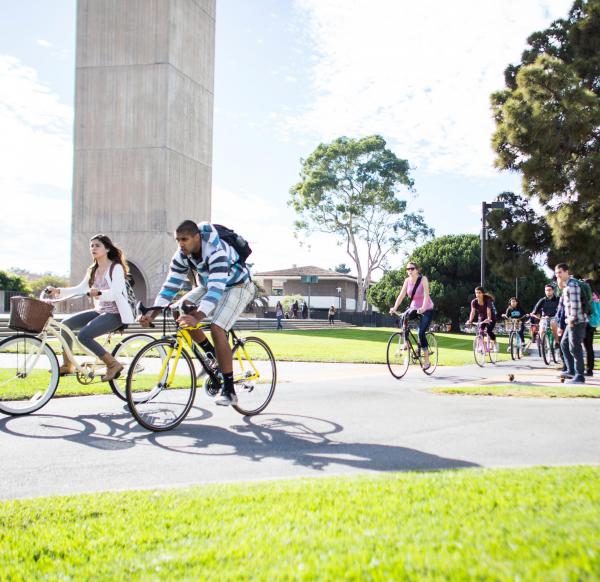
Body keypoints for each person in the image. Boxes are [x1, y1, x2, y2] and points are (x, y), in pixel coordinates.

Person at [139, 220, 255, 406]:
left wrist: (197, 316)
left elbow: (217, 289)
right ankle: (212, 355)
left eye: (184, 239)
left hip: (238, 285)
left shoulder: (217, 251)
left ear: (197, 237)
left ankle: (229, 391)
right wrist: (152, 313)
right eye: (178, 240)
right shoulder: (181, 255)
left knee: (217, 328)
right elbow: (170, 286)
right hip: (207, 284)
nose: (181, 244)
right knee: (178, 310)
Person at [46, 234, 135, 381]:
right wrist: (58, 291)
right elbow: (79, 289)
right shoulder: (93, 269)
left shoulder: (116, 268)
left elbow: (116, 292)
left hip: (116, 314)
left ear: (107, 249)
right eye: (91, 245)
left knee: (84, 335)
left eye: (97, 245)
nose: (93, 248)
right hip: (100, 311)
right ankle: (68, 365)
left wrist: (99, 293)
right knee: (65, 324)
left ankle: (113, 364)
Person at [389, 261, 434, 369]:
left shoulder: (423, 279)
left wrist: (423, 308)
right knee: (403, 318)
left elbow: (426, 295)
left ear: (417, 270)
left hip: (426, 308)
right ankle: (406, 343)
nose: (410, 271)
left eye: (412, 269)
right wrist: (395, 307)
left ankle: (427, 361)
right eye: (408, 269)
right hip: (414, 307)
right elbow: (401, 295)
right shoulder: (407, 281)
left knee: (421, 333)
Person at [555, 263, 588, 384]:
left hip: (576, 321)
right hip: (571, 321)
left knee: (575, 348)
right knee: (564, 344)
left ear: (566, 272)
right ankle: (571, 370)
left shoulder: (572, 286)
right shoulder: (567, 286)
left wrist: (572, 319)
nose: (557, 275)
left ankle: (580, 376)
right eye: (556, 273)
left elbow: (575, 305)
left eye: (559, 272)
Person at [466, 286, 498, 352]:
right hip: (482, 317)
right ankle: (481, 346)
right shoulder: (474, 302)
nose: (477, 294)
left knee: (489, 331)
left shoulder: (487, 300)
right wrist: (470, 320)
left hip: (491, 317)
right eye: (476, 293)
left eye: (479, 293)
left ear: (483, 293)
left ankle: (495, 344)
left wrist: (488, 319)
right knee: (480, 331)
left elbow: (488, 310)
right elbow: (472, 312)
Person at [583, 279, 597, 377]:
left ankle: (589, 370)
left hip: (587, 322)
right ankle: (589, 369)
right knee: (589, 347)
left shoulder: (589, 296)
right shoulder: (595, 295)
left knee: (587, 347)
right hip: (593, 323)